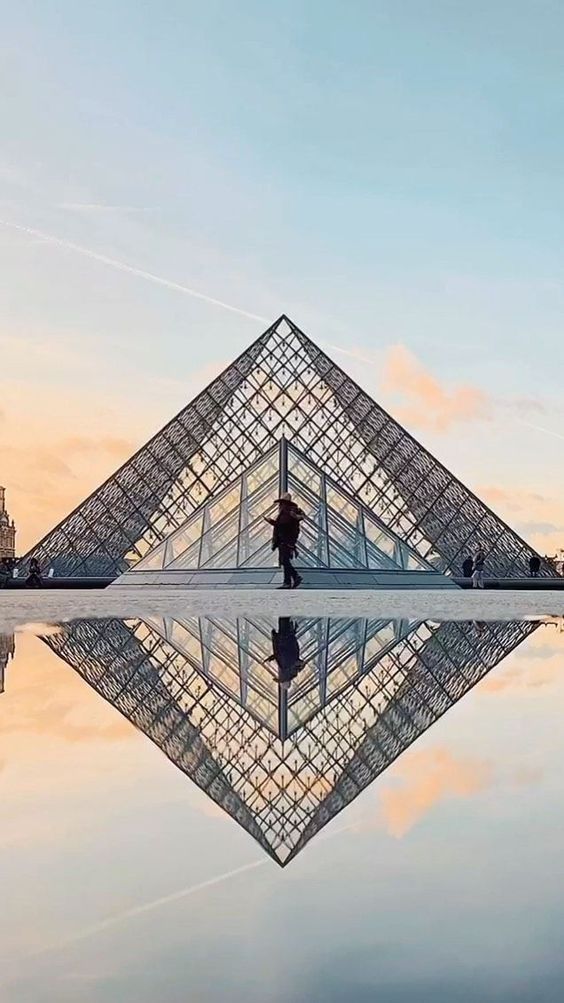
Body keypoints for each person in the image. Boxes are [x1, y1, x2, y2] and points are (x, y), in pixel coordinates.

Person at [264, 493, 304, 589]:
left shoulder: (287, 512)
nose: (279, 505)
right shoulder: (291, 511)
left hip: (285, 540)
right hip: (288, 540)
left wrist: (272, 522)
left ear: (284, 503)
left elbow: (282, 526)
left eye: (281, 503)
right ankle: (288, 581)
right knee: (285, 561)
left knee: (284, 560)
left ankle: (293, 577)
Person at [265, 618, 304, 689]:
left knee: (284, 619)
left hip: (288, 638)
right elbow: (281, 653)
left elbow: (281, 654)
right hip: (284, 638)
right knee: (283, 619)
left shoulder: (292, 670)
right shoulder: (286, 667)